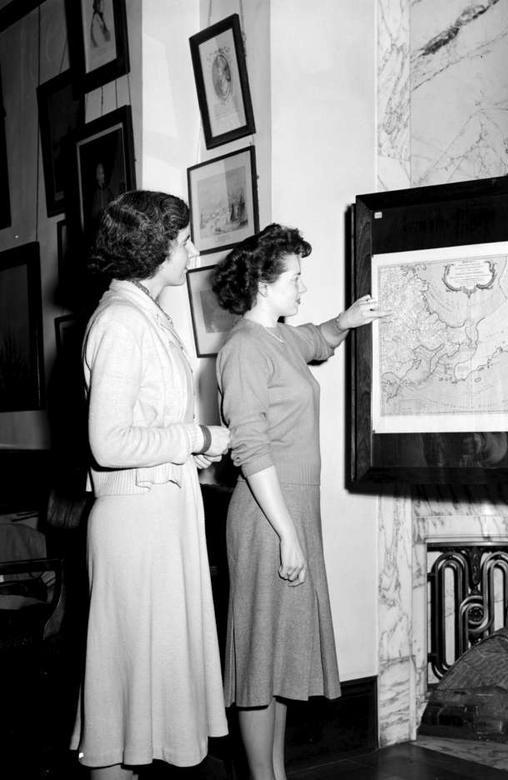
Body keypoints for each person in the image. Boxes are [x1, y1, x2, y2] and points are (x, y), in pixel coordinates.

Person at [211, 224, 385, 780]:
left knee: (282, 655)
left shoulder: (281, 338)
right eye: (295, 278)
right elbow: (249, 447)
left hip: (292, 511)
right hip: (268, 514)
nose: (302, 288)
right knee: (262, 658)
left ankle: (275, 775)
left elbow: (319, 337)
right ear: (264, 283)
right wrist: (286, 532)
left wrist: (347, 321)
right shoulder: (242, 348)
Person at [71, 190, 231, 779]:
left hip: (161, 516)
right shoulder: (119, 320)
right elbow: (108, 442)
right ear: (156, 248)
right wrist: (199, 438)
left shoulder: (142, 312)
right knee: (123, 695)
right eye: (183, 239)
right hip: (136, 522)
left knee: (146, 690)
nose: (191, 249)